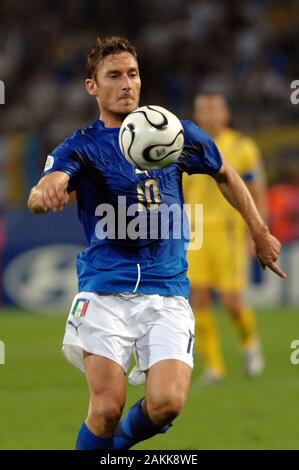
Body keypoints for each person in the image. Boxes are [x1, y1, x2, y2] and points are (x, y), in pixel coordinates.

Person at [27, 36, 285, 451]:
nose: (126, 83)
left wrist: (259, 231)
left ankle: (113, 451)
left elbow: (226, 173)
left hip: (166, 289)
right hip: (105, 287)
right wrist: (48, 193)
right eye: (113, 76)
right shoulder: (82, 145)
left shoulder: (175, 133)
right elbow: (44, 189)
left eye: (132, 74)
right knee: (107, 407)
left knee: (167, 403)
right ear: (92, 86)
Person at [184, 92, 268, 384]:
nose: (208, 115)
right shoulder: (184, 147)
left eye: (213, 109)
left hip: (231, 232)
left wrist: (258, 233)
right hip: (195, 234)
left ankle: (249, 343)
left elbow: (257, 192)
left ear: (225, 113)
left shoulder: (243, 147)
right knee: (199, 300)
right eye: (202, 110)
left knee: (232, 302)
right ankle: (214, 367)